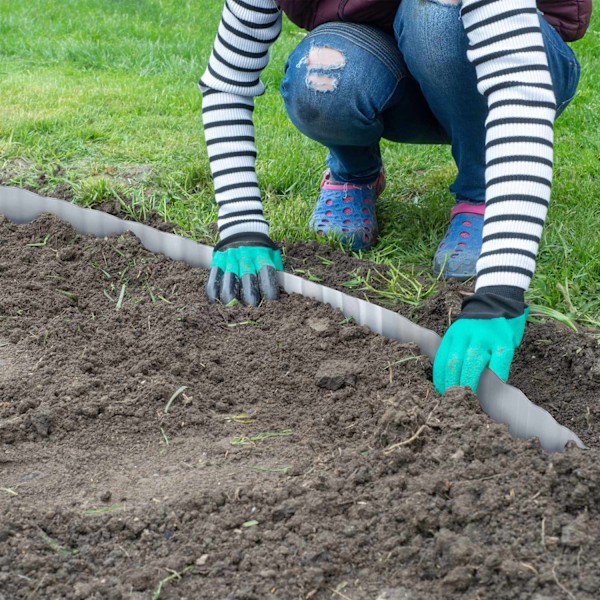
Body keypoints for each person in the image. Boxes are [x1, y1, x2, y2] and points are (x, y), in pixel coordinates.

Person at [200, 0, 586, 395]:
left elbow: (519, 87)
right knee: (322, 69)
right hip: (387, 63)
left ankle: (481, 190)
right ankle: (355, 173)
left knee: (435, 18)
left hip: (514, 57)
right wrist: (240, 226)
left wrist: (500, 293)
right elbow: (226, 81)